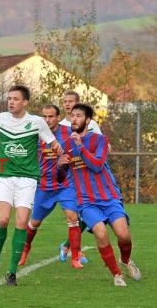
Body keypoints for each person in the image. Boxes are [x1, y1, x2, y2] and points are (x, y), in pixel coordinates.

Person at [0, 85, 62, 286]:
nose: (11, 101)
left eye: (16, 99)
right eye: (9, 98)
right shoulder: (0, 118)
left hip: (28, 179)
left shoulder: (36, 122)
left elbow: (52, 142)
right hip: (4, 175)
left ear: (25, 102)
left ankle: (11, 272)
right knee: (2, 220)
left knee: (21, 223)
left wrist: (59, 149)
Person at [58, 103, 141, 286]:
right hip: (86, 202)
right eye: (72, 116)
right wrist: (60, 166)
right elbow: (61, 177)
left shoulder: (100, 140)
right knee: (101, 234)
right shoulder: (65, 145)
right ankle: (116, 274)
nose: (74, 119)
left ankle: (126, 260)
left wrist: (80, 147)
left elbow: (96, 165)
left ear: (88, 120)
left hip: (109, 197)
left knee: (123, 235)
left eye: (79, 116)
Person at [17, 104, 87, 268]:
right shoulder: (36, 133)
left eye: (51, 117)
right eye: (45, 117)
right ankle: (25, 250)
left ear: (58, 117)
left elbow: (85, 142)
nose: (47, 120)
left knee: (73, 218)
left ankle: (75, 257)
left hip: (65, 184)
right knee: (34, 223)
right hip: (44, 185)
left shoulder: (68, 132)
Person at [57, 89, 102, 261]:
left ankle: (68, 245)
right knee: (76, 214)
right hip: (72, 177)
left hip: (90, 175)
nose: (67, 104)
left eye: (70, 101)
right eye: (65, 101)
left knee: (89, 214)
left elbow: (102, 144)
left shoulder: (92, 125)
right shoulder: (60, 125)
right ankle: (75, 250)